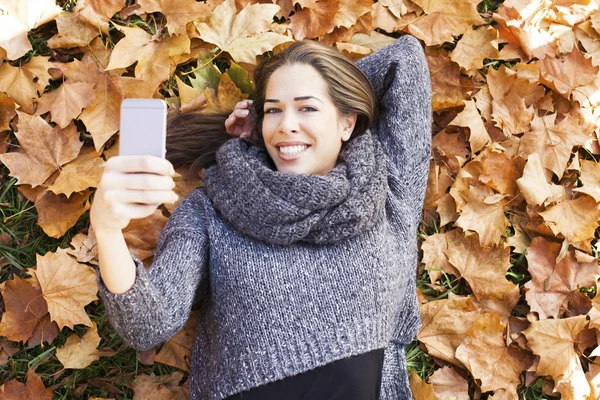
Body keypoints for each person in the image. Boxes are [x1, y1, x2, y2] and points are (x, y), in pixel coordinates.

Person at [90, 34, 432, 400]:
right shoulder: (214, 210)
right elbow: (147, 325)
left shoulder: (387, 188)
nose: (285, 125)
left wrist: (317, 87)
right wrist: (107, 230)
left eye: (307, 109)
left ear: (348, 123)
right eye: (273, 111)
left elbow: (406, 60)